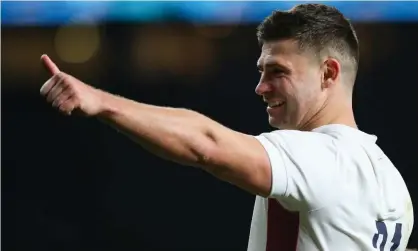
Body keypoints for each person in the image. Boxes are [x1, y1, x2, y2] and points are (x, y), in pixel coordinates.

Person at [39, 3, 414, 251]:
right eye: (261, 71)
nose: (261, 87)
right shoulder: (393, 184)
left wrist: (102, 101)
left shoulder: (321, 158)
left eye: (278, 71)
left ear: (328, 73)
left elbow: (207, 145)